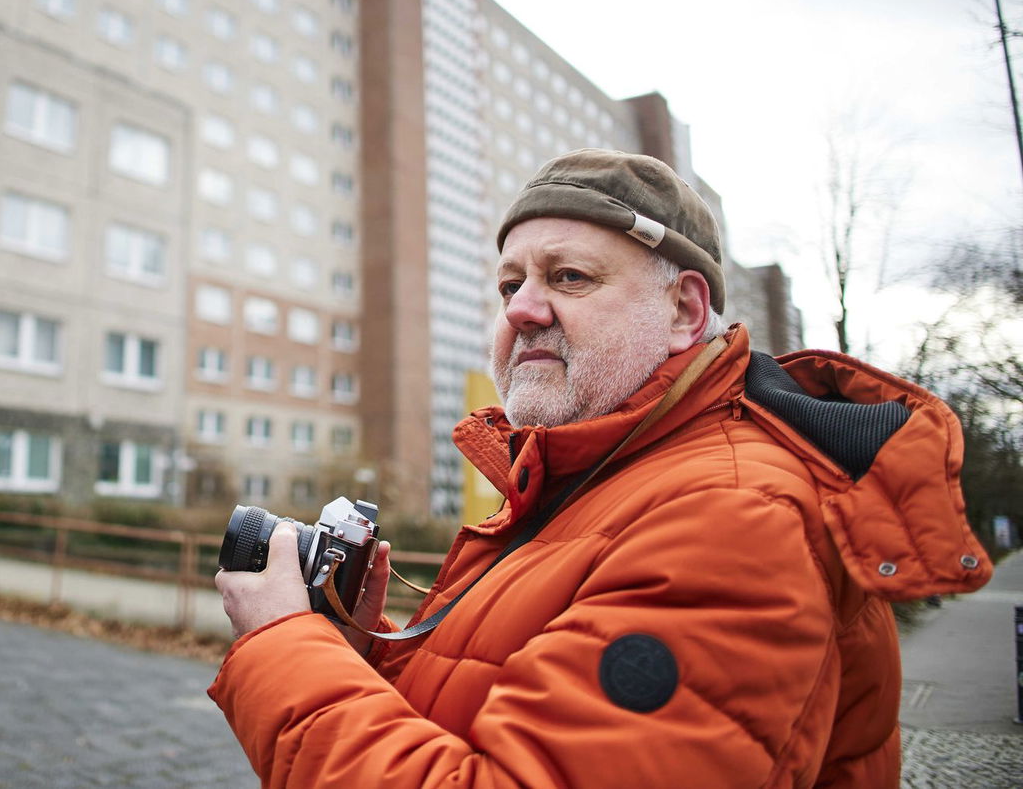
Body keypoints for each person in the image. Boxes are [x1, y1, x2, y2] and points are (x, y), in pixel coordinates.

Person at [211, 148, 992, 788]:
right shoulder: (585, 483)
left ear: (686, 311)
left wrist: (283, 644)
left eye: (568, 277)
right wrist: (361, 654)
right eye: (510, 283)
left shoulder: (731, 515)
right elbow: (487, 721)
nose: (521, 308)